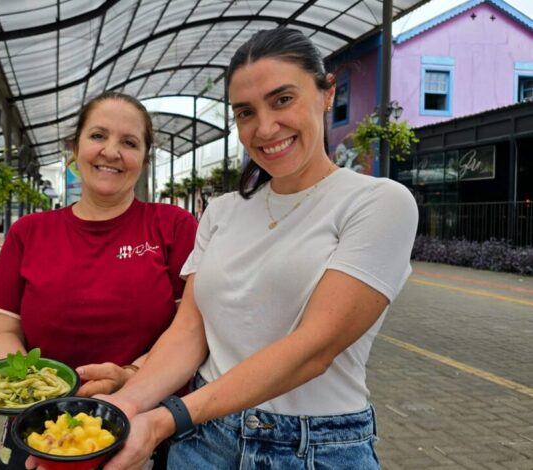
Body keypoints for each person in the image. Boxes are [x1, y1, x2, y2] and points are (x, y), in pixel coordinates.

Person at [94, 27, 419, 470]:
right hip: (204, 441)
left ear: (328, 93)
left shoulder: (379, 202)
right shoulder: (222, 211)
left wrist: (165, 420)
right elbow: (189, 332)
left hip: (315, 450)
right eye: (245, 112)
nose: (265, 128)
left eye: (282, 100)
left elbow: (312, 350)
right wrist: (117, 413)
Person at [0, 91, 198, 469]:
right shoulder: (29, 232)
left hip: (145, 427)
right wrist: (17, 383)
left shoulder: (174, 226)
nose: (111, 152)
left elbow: (190, 329)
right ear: (74, 148)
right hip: (38, 429)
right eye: (98, 136)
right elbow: (3, 332)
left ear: (144, 159)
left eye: (129, 142)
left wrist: (131, 375)